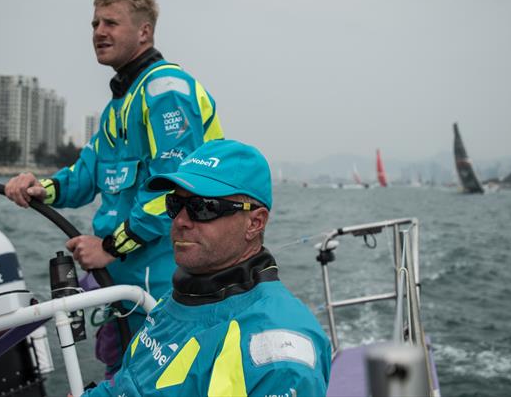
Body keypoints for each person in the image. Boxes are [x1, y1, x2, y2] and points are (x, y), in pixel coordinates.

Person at [5, 0, 224, 375]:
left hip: (163, 286)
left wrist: (109, 246)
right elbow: (85, 176)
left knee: (161, 379)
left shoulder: (165, 91)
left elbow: (172, 188)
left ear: (144, 32)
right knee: (120, 374)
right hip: (124, 286)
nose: (98, 32)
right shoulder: (117, 107)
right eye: (94, 23)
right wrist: (42, 188)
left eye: (111, 22)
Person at [80, 139, 332, 397]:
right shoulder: (179, 298)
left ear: (255, 223)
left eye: (203, 207)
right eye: (174, 204)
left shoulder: (278, 357)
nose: (180, 221)